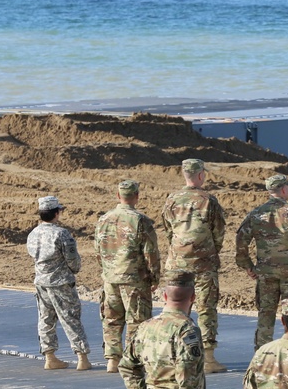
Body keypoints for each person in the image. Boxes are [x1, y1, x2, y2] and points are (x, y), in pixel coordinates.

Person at [235, 174, 288, 350]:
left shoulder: (256, 214)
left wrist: (248, 266)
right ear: (283, 189)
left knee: (265, 315)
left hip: (265, 274)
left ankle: (261, 353)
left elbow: (241, 241)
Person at [161, 158, 228, 373]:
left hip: (177, 261)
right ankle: (208, 358)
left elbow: (168, 230)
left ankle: (174, 353)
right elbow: (218, 231)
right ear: (200, 175)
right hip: (203, 261)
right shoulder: (209, 200)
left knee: (176, 306)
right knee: (206, 306)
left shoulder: (172, 200)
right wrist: (211, 250)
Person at [94, 179, 161, 373]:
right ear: (137, 197)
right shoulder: (141, 221)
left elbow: (98, 250)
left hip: (110, 277)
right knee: (137, 320)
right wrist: (154, 277)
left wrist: (107, 270)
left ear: (118, 196)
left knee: (111, 319)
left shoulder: (103, 219)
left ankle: (112, 359)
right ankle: (133, 360)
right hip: (134, 279)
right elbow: (151, 252)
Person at [26, 195, 91, 371]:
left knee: (45, 319)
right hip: (61, 283)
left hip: (41, 281)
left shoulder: (33, 234)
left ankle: (50, 356)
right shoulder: (61, 234)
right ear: (56, 213)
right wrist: (74, 268)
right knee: (70, 318)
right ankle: (82, 358)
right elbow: (73, 261)